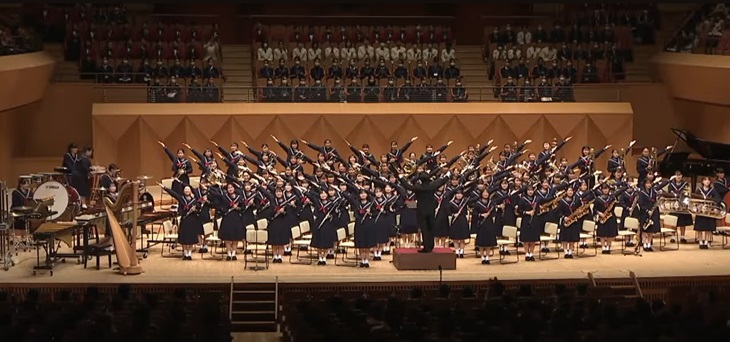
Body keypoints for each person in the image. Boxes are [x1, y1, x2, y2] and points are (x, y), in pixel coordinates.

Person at [397, 171, 451, 253]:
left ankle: (426, 247)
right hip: (430, 210)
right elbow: (441, 182)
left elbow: (407, 186)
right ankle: (431, 246)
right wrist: (447, 175)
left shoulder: (418, 187)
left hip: (421, 211)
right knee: (431, 228)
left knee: (424, 229)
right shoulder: (432, 186)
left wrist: (400, 177)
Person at [159, 182, 202, 260]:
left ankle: (190, 253)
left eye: (188, 189)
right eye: (185, 189)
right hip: (184, 220)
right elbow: (173, 194)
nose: (187, 191)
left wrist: (195, 209)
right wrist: (165, 188)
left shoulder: (195, 200)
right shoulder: (181, 198)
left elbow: (199, 209)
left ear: (190, 191)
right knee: (184, 237)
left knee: (191, 237)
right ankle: (185, 252)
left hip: (192, 221)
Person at [695, 176, 722, 249]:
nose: (707, 181)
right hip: (700, 211)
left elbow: (718, 199)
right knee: (699, 227)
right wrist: (697, 207)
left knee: (708, 227)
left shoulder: (713, 190)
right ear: (702, 182)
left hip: (709, 212)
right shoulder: (699, 190)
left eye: (708, 180)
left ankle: (706, 241)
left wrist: (716, 208)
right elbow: (694, 200)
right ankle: (700, 241)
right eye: (705, 180)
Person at [668, 170, 693, 243]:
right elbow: (669, 194)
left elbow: (687, 193)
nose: (678, 176)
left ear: (682, 176)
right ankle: (673, 236)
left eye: (680, 175)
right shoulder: (671, 184)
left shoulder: (685, 184)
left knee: (683, 221)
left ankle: (682, 236)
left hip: (683, 205)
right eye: (677, 175)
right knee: (674, 221)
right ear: (674, 176)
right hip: (674, 204)